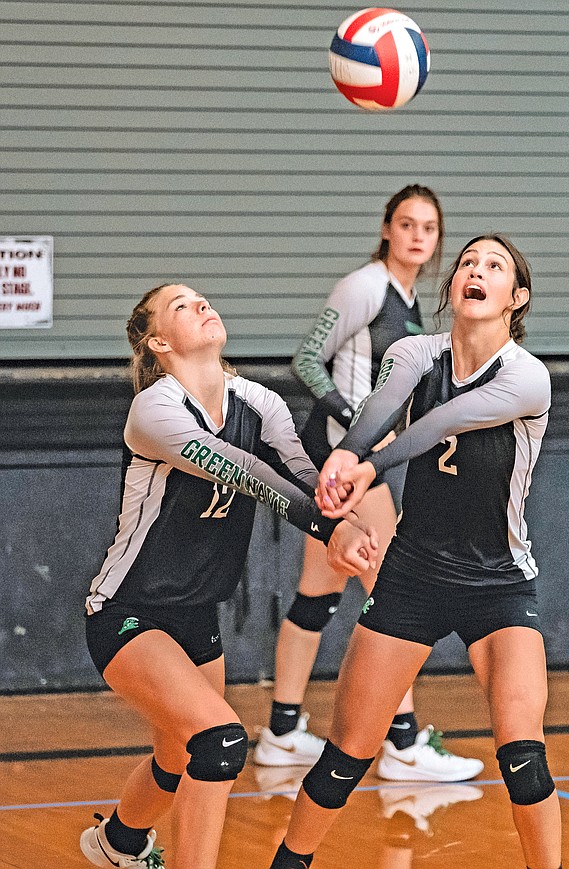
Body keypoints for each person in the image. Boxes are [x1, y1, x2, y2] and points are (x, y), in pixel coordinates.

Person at [269, 235, 562, 869]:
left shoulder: (525, 376)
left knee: (523, 756)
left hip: (498, 581)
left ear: (518, 298)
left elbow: (437, 425)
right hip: (413, 576)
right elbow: (380, 410)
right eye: (467, 264)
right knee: (347, 754)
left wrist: (367, 468)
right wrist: (347, 453)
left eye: (494, 267)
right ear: (452, 288)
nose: (475, 272)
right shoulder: (413, 352)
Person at [79, 283, 377, 869]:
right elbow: (247, 472)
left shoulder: (259, 403)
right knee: (219, 742)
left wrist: (344, 507)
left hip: (196, 613)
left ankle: (116, 844)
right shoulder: (156, 409)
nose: (203, 305)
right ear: (159, 341)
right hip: (126, 611)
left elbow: (300, 475)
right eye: (182, 306)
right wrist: (329, 531)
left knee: (180, 754)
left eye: (202, 298)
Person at [253, 185, 483, 783]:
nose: (416, 235)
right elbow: (307, 357)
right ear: (387, 228)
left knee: (317, 591)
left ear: (436, 240)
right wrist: (348, 420)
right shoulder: (364, 286)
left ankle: (281, 731)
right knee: (394, 594)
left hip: (361, 462)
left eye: (428, 228)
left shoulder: (409, 301)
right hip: (341, 460)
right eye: (405, 223)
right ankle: (403, 744)